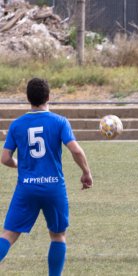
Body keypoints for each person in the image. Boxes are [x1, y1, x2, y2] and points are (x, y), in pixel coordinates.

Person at [0, 78, 93, 275]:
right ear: (49, 97)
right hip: (53, 188)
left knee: (9, 235)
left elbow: (5, 157)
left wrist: (19, 164)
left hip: (27, 188)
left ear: (28, 99)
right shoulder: (59, 122)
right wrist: (86, 172)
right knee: (58, 236)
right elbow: (75, 151)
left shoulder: (17, 125)